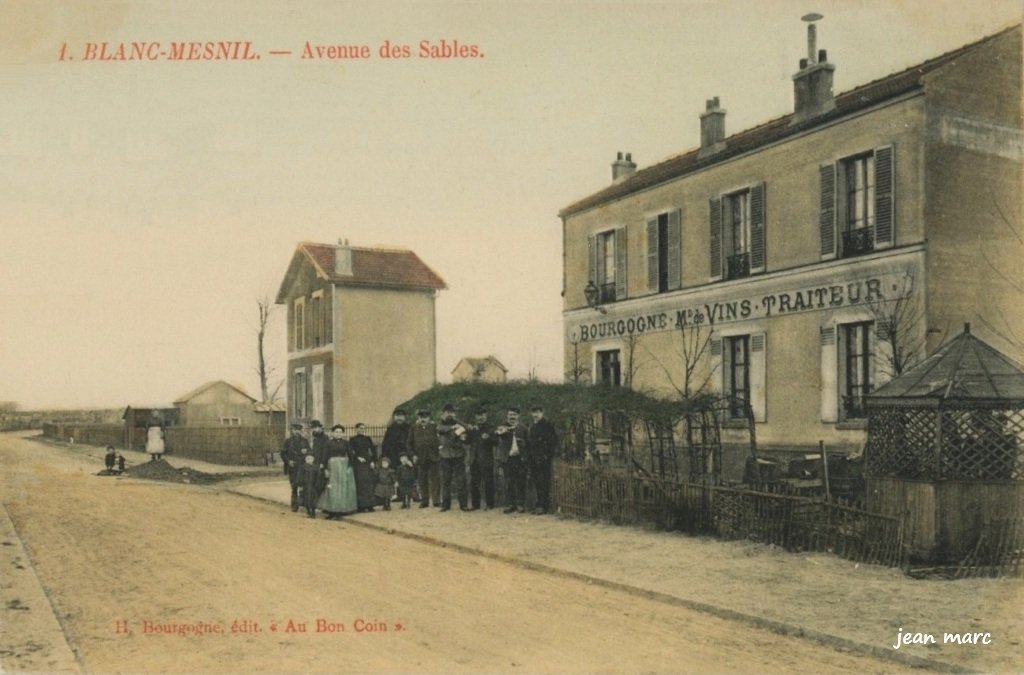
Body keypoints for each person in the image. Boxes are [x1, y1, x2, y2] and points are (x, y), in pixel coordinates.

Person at [495, 407, 529, 513]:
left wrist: (522, 443)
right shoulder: (502, 427)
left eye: (514, 415)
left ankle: (520, 504)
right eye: (510, 415)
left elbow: (528, 443)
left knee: (520, 481)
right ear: (507, 416)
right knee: (509, 481)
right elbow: (498, 434)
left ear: (518, 416)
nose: (512, 417)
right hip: (507, 458)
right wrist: (505, 430)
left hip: (520, 458)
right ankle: (510, 504)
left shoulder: (523, 428)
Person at [319, 424, 357, 519]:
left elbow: (351, 455)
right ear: (333, 433)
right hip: (332, 467)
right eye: (336, 432)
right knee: (332, 488)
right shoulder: (328, 443)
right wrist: (325, 469)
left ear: (343, 433)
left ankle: (341, 510)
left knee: (342, 488)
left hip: (343, 467)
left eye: (340, 432)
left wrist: (350, 467)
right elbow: (324, 456)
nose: (338, 434)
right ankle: (332, 510)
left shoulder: (346, 443)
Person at [437, 404, 468, 512]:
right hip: (445, 455)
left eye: (452, 412)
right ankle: (445, 505)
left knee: (461, 480)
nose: (450, 414)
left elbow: (467, 429)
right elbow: (440, 429)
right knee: (446, 481)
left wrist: (458, 424)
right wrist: (452, 428)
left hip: (458, 454)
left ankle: (463, 505)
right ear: (443, 413)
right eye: (448, 412)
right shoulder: (440, 424)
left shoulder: (458, 423)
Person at [527, 405, 559, 515]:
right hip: (534, 458)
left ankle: (543, 506)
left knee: (544, 482)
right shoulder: (533, 426)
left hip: (543, 459)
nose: (535, 415)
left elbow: (553, 442)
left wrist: (547, 456)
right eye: (534, 412)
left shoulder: (547, 425)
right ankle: (539, 504)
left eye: (538, 412)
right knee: (537, 482)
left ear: (542, 413)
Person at [408, 409, 440, 508]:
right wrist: (413, 455)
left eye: (425, 417)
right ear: (418, 418)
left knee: (435, 480)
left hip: (433, 457)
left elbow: (440, 440)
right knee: (422, 480)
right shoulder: (414, 428)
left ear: (429, 418)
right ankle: (424, 501)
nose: (423, 419)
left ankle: (436, 500)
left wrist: (439, 451)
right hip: (420, 458)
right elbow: (409, 443)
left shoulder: (434, 427)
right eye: (421, 417)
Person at [466, 408, 497, 510]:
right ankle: (475, 505)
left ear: (486, 416)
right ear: (475, 417)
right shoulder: (473, 429)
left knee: (488, 482)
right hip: (474, 459)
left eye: (482, 415)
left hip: (486, 460)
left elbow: (496, 441)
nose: (480, 417)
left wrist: (488, 437)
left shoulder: (491, 428)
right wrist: (466, 433)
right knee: (474, 483)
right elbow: (467, 441)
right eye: (478, 415)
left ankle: (490, 504)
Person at [281, 422, 312, 512]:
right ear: (292, 431)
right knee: (294, 486)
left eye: (299, 430)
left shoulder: (304, 441)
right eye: (295, 430)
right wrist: (288, 461)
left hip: (302, 466)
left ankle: (303, 503)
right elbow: (283, 453)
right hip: (293, 466)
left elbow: (310, 452)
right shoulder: (288, 441)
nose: (297, 432)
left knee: (304, 485)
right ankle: (294, 505)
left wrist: (306, 451)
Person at [350, 423, 378, 513]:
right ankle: (361, 506)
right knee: (360, 484)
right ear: (356, 429)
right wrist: (357, 457)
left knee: (368, 483)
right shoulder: (352, 439)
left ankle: (370, 505)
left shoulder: (368, 439)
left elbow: (373, 450)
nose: (362, 430)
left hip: (367, 462)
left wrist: (373, 461)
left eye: (363, 428)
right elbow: (351, 451)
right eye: (360, 428)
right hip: (358, 463)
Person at [299, 453, 325, 519]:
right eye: (308, 459)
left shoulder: (316, 467)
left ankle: (313, 512)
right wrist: (301, 484)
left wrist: (317, 484)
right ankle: (308, 511)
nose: (309, 460)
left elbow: (318, 476)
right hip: (306, 485)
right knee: (306, 499)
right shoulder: (303, 467)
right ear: (305, 460)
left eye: (311, 459)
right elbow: (300, 476)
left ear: (313, 459)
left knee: (313, 499)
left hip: (313, 485)